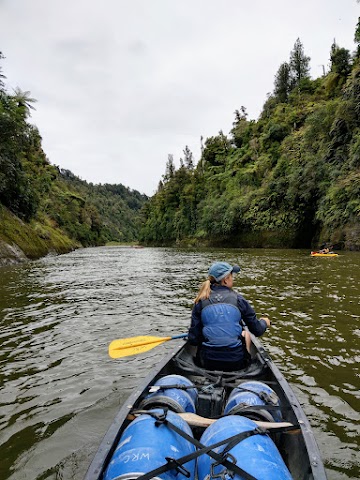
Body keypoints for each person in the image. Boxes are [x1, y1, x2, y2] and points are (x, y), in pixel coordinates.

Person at [188, 261, 271, 372]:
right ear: (226, 279)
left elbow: (193, 339)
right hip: (236, 362)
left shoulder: (200, 302)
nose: (233, 279)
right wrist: (264, 322)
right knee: (245, 333)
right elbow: (257, 330)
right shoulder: (239, 300)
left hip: (207, 362)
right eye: (232, 276)